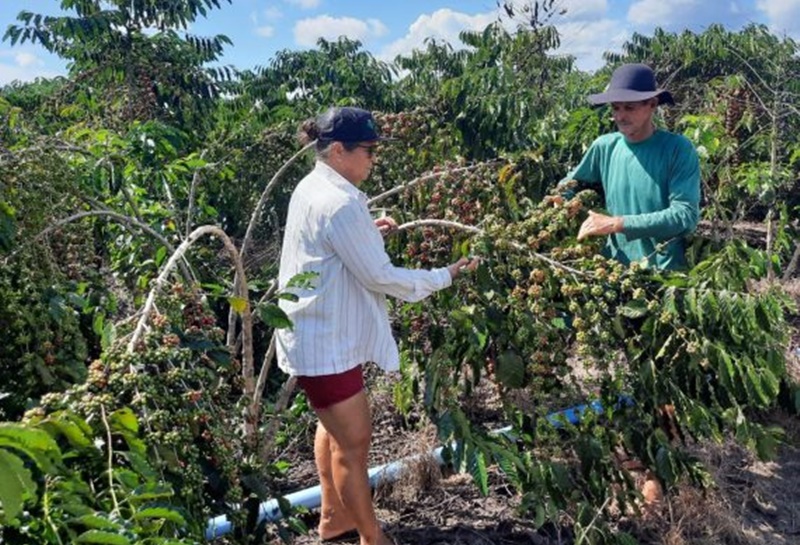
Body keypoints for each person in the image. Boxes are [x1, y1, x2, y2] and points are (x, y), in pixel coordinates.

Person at [275, 106, 477, 545]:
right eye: (367, 150)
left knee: (333, 431)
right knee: (355, 443)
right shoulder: (340, 202)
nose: (373, 159)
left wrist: (367, 231)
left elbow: (331, 248)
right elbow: (380, 277)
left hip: (317, 336)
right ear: (337, 150)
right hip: (326, 341)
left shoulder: (315, 187)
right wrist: (446, 275)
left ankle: (334, 519)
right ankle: (372, 538)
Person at [556, 63, 701, 271]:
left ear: (652, 104)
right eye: (616, 107)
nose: (620, 116)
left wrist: (617, 224)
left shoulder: (677, 149)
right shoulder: (605, 146)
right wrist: (562, 197)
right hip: (614, 270)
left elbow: (685, 216)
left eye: (629, 108)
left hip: (662, 274)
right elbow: (571, 183)